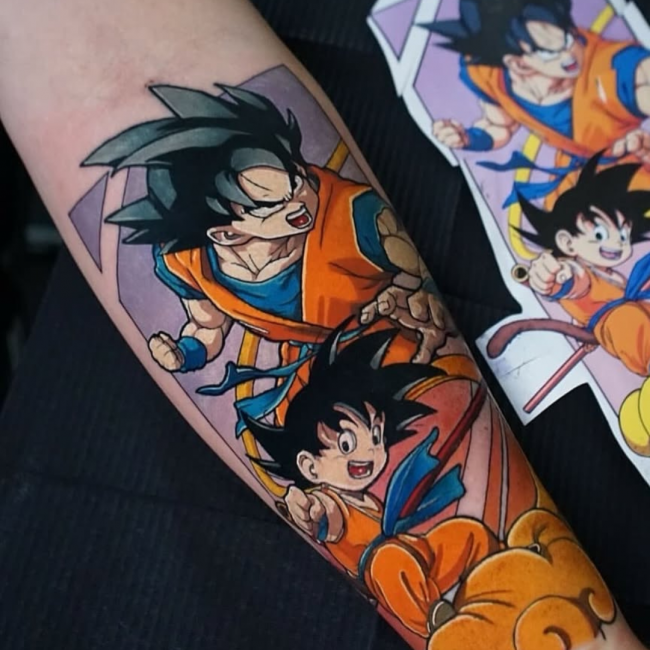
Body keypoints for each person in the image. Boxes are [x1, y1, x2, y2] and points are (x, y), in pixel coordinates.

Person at [0, 0, 646, 648]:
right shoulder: (191, 264)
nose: (299, 202)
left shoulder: (344, 213)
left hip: (385, 348)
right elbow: (114, 68)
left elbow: (396, 282)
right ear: (225, 232)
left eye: (295, 184)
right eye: (274, 206)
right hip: (299, 390)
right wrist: (188, 350)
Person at [426, 0, 650, 206]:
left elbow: (640, 74)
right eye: (550, 51)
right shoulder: (489, 75)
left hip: (633, 168)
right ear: (518, 64)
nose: (570, 54)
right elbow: (499, 126)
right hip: (580, 178)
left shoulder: (611, 68)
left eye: (568, 36)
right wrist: (469, 139)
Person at [520, 152, 650, 377]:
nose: (617, 243)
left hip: (634, 317)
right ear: (567, 242)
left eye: (623, 234)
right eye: (600, 234)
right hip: (618, 324)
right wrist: (551, 276)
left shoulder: (609, 275)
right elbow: (570, 280)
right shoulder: (579, 272)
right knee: (626, 318)